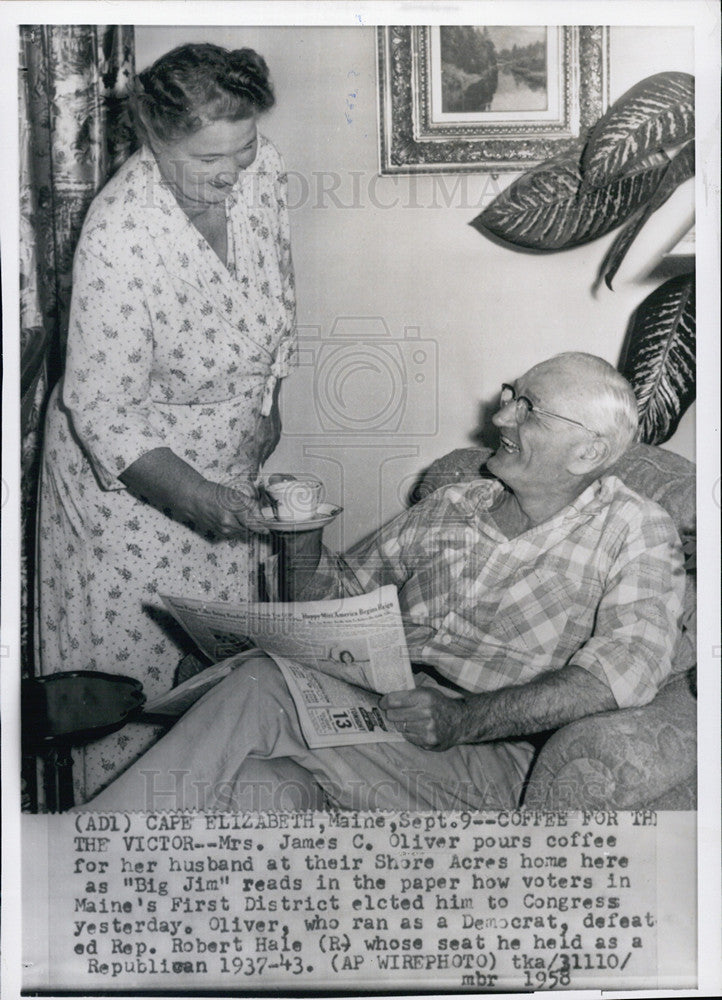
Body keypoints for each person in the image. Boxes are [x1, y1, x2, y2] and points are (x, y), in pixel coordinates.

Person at [83, 353, 686, 813]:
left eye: (529, 408)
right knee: (261, 788)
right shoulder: (455, 502)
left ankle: (72, 857)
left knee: (264, 685)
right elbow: (332, 602)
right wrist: (302, 535)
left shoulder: (636, 528)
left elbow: (621, 673)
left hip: (490, 752)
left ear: (588, 452)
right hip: (380, 717)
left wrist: (464, 719)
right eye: (512, 396)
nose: (500, 416)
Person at [35, 43, 296, 801]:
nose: (233, 172)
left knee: (215, 686)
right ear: (154, 138)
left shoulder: (262, 169)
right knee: (137, 695)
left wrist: (267, 405)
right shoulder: (121, 234)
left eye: (243, 146)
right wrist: (197, 498)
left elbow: (278, 301)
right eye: (209, 157)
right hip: (127, 496)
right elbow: (102, 410)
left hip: (223, 473)